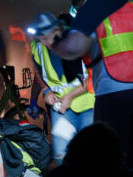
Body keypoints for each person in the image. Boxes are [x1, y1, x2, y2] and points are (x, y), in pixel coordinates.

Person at [51, 0, 133, 170]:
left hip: (114, 89)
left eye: (77, 9)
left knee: (109, 158)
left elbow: (74, 48)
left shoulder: (93, 11)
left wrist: (54, 42)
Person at [27, 12, 94, 164]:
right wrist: (46, 90)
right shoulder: (38, 47)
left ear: (58, 30)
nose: (43, 43)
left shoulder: (76, 42)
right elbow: (38, 70)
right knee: (60, 154)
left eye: (45, 38)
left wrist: (69, 97)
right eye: (40, 39)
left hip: (87, 106)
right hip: (61, 109)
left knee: (89, 153)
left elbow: (91, 77)